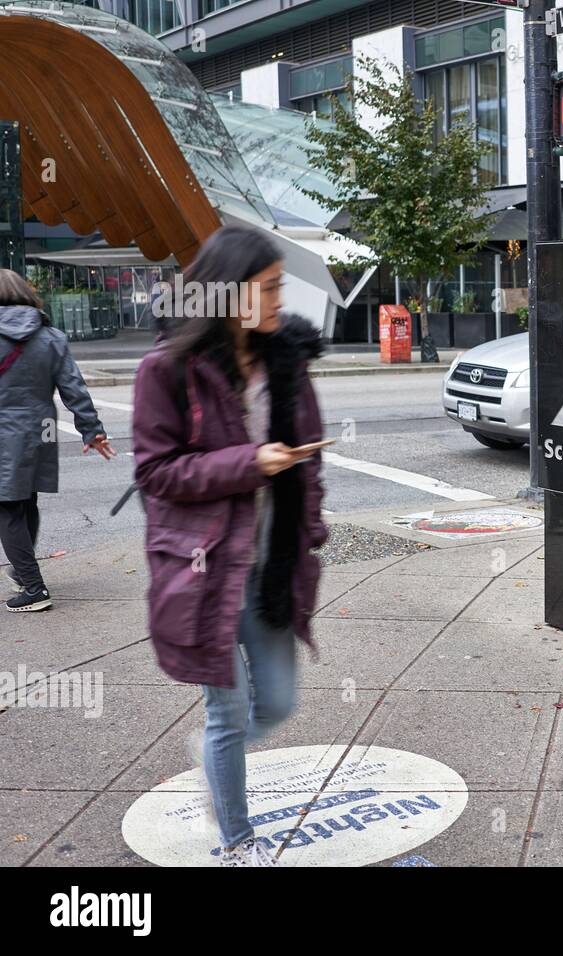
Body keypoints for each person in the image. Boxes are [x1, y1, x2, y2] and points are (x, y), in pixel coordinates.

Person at [132, 225, 328, 866]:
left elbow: (311, 463)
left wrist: (311, 527)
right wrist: (250, 462)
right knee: (229, 711)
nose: (278, 300)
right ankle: (237, 841)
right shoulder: (168, 369)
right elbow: (157, 473)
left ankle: (214, 755)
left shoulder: (287, 360)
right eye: (266, 288)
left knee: (277, 701)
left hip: (272, 564)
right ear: (227, 293)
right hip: (206, 565)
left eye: (279, 287)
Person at [0, 270, 114, 612]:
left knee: (7, 508)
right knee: (26, 500)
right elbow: (73, 389)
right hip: (41, 429)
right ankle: (24, 573)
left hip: (4, 431)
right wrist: (92, 431)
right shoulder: (52, 336)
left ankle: (34, 588)